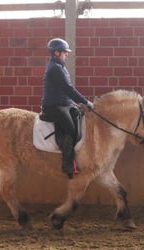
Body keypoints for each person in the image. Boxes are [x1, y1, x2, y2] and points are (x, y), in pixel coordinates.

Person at [41, 38, 94, 179]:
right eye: (64, 52)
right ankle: (68, 165)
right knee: (70, 129)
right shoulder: (55, 69)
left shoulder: (59, 67)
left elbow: (65, 92)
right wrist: (86, 102)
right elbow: (68, 89)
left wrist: (75, 104)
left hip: (62, 104)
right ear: (56, 52)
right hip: (53, 106)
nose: (66, 54)